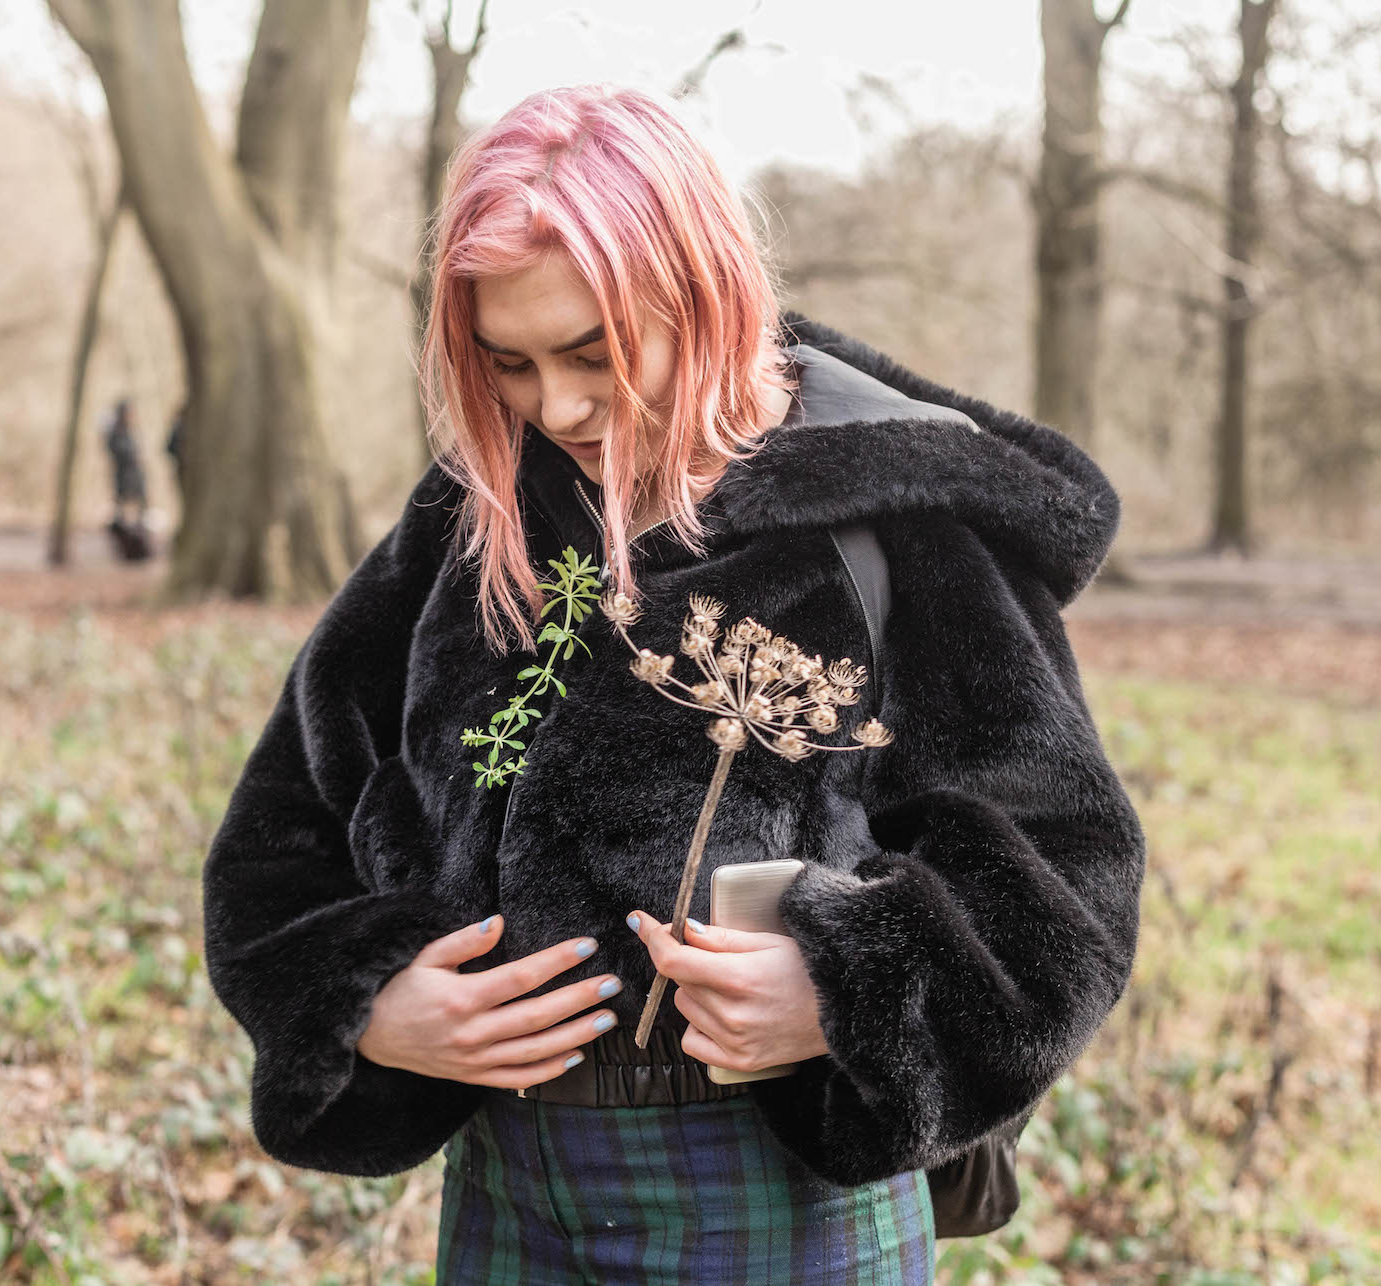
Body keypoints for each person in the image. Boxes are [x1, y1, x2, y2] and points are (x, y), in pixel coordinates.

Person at [201, 84, 1145, 1283]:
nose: (559, 406)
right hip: (507, 1188)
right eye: (511, 364)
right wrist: (363, 1001)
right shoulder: (468, 516)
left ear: (700, 291)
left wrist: (847, 990)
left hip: (779, 1193)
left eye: (595, 352)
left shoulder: (888, 517)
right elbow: (276, 838)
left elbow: (1070, 874)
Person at [100, 396, 152, 561]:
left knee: (137, 517)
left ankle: (137, 551)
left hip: (133, 479)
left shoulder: (128, 431)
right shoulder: (116, 432)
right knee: (125, 517)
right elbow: (119, 453)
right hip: (124, 480)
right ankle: (128, 551)